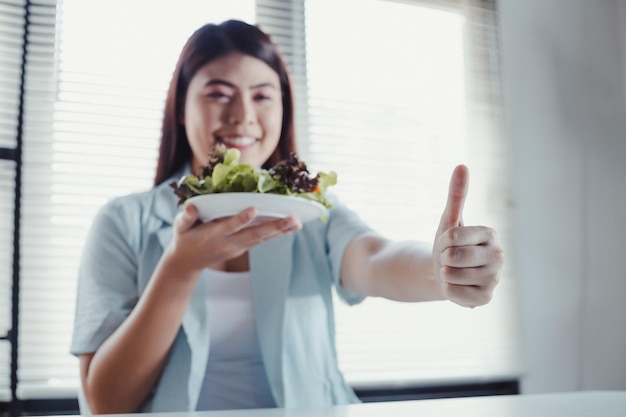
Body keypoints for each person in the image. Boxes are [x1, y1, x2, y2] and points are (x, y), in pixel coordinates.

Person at [70, 19, 504, 414]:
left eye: (262, 95)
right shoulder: (122, 223)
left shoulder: (310, 208)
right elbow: (106, 402)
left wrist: (439, 268)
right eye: (219, 93)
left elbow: (373, 258)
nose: (242, 115)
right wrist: (180, 268)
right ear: (181, 109)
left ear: (283, 109)